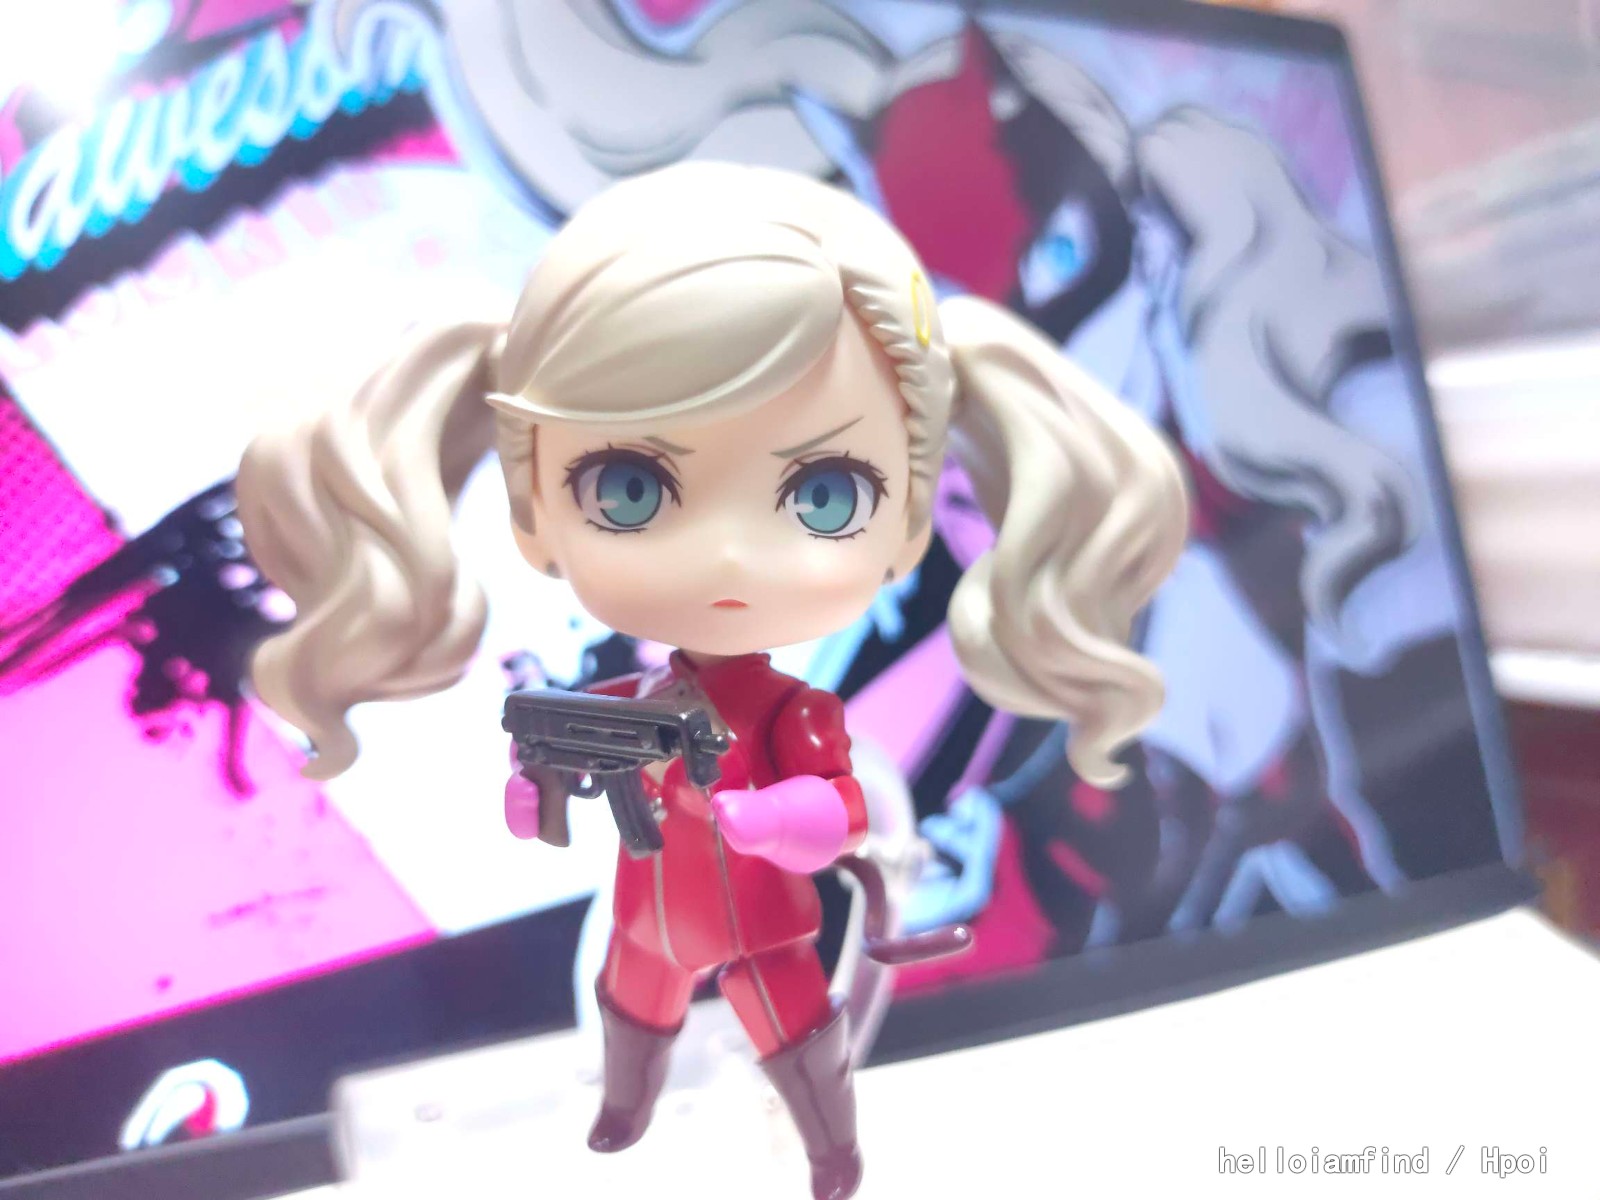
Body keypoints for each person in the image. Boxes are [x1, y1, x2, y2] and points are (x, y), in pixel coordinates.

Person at [236, 162, 1188, 1200]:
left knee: (793, 1037)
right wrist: (534, 789)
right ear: (533, 515)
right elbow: (562, 773)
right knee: (629, 1006)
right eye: (629, 489)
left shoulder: (794, 712)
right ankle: (623, 1113)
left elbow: (842, 810)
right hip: (647, 914)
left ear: (907, 523)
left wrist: (768, 819)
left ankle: (829, 1151)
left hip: (760, 923)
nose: (728, 555)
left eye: (825, 495)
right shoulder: (627, 706)